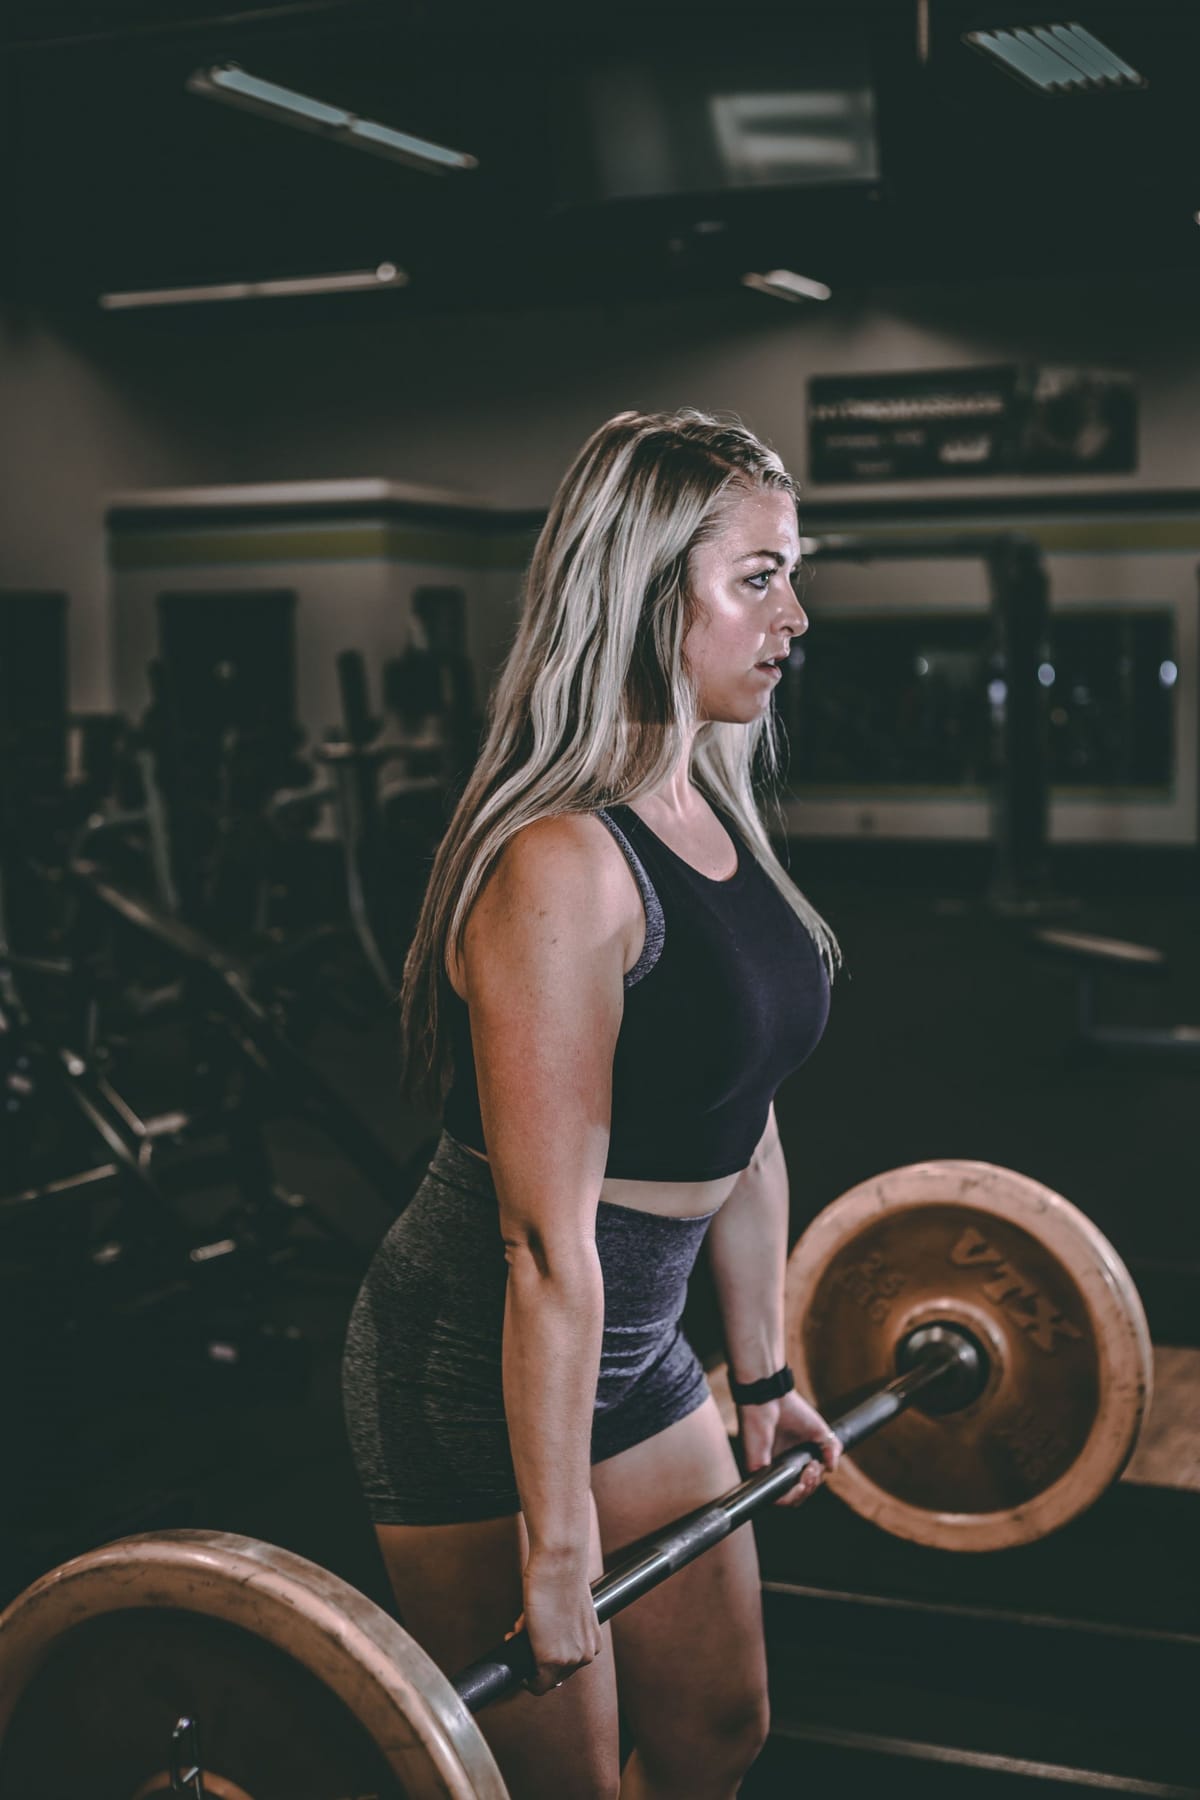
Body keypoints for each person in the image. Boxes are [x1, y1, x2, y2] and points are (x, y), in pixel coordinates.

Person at [342, 408, 844, 1800]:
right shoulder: (565, 863)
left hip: (632, 1346)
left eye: (792, 574)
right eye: (758, 577)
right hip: (475, 1368)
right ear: (641, 593)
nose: (795, 614)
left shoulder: (713, 813)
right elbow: (543, 1246)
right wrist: (557, 1548)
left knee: (717, 1728)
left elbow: (749, 1124)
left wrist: (766, 1379)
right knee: (555, 1784)